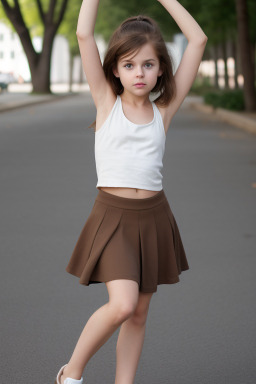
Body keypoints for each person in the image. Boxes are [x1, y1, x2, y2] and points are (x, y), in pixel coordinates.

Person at [55, 1, 207, 383]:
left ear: (160, 70)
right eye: (129, 65)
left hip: (154, 217)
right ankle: (70, 374)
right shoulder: (107, 103)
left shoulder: (164, 110)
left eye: (148, 64)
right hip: (114, 217)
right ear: (115, 70)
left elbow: (198, 39)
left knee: (138, 314)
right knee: (122, 305)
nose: (139, 73)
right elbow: (84, 34)